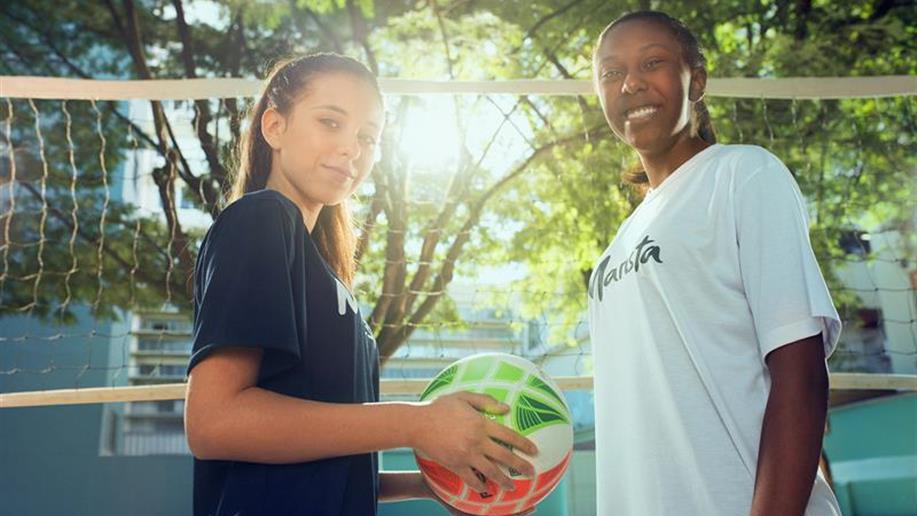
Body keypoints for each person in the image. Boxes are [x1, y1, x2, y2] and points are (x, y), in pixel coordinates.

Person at [184, 53, 537, 516]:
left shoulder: (328, 274)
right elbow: (215, 423)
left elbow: (318, 461)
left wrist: (434, 483)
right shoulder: (261, 219)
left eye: (368, 137)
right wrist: (416, 423)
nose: (352, 148)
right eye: (331, 122)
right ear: (274, 127)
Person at [588, 11, 842, 516]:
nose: (631, 82)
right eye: (611, 73)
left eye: (653, 62)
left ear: (696, 80)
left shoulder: (743, 174)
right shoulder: (612, 252)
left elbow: (801, 376)